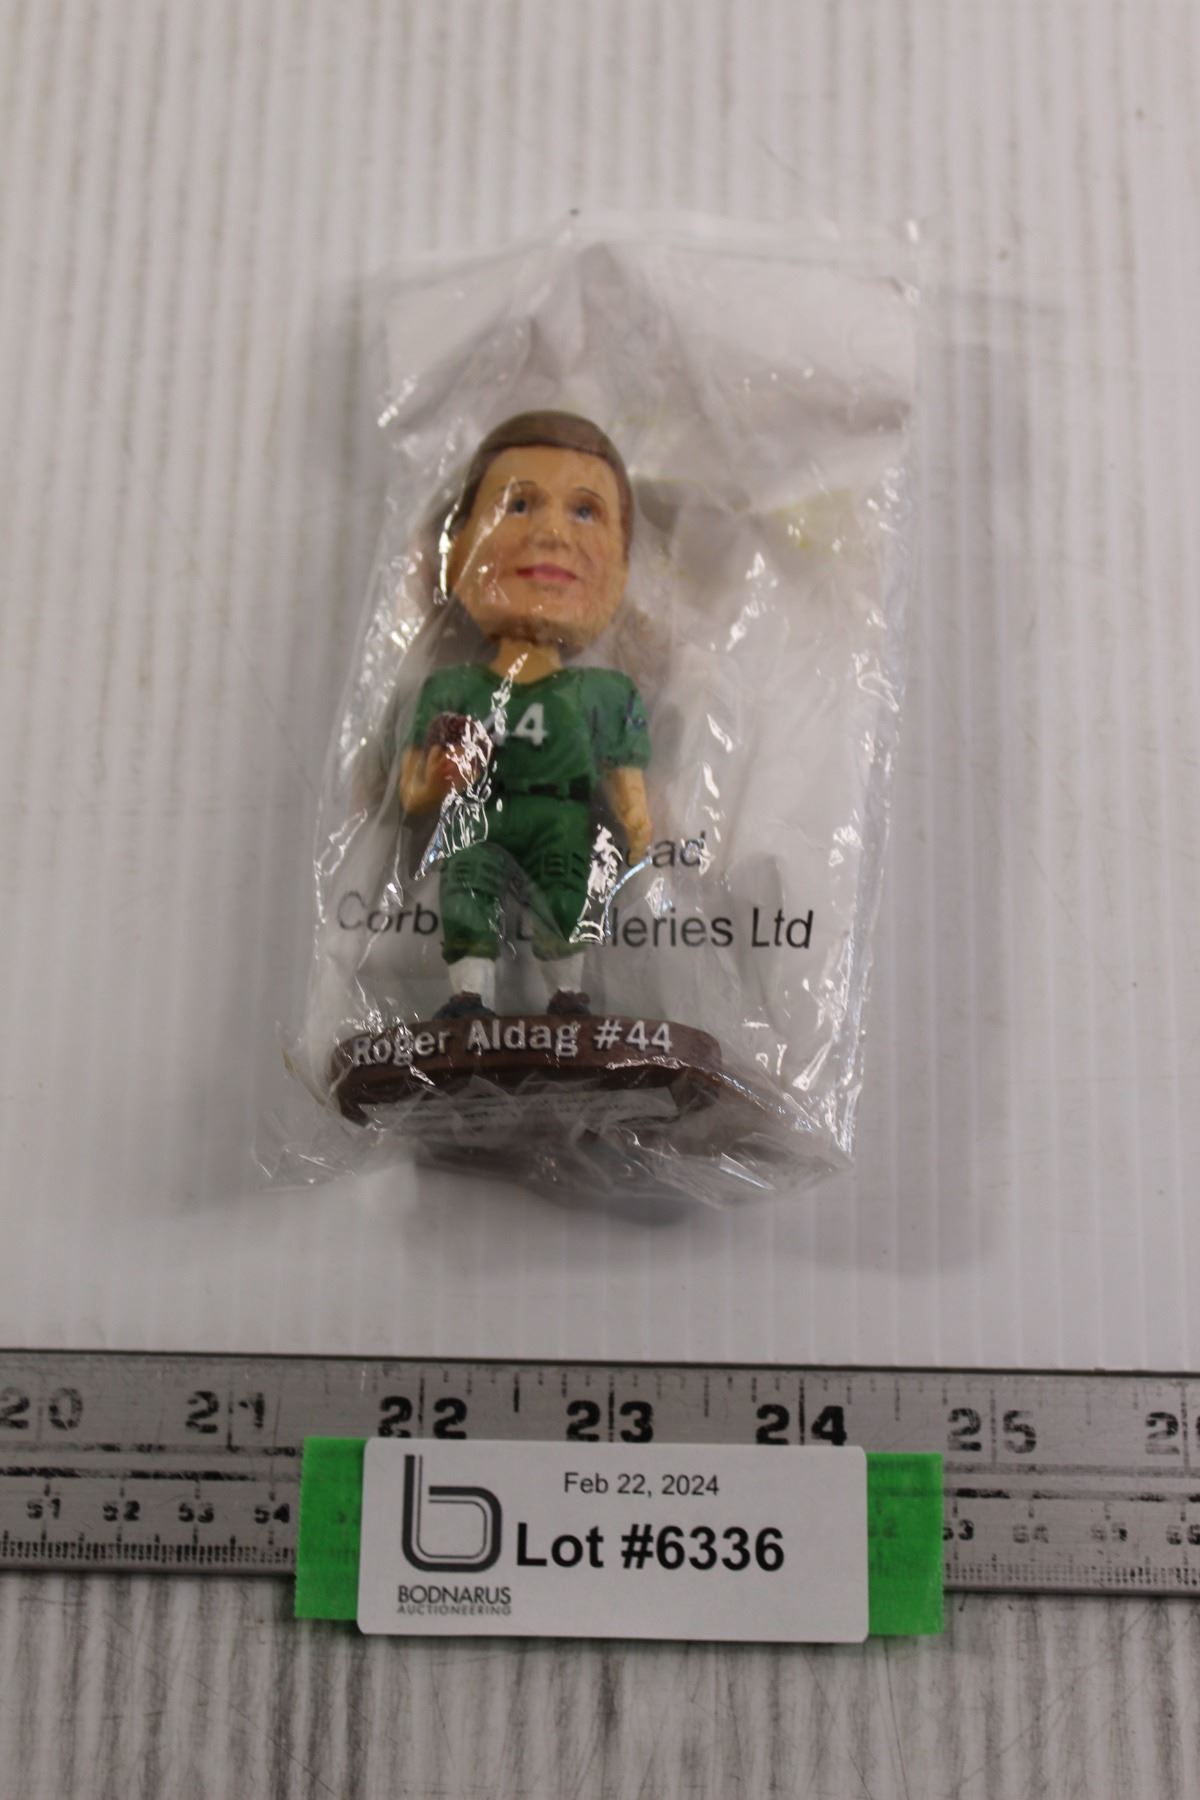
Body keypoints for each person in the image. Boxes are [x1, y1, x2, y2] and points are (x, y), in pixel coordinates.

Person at [399, 411, 652, 1020]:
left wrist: (635, 822)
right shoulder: (452, 687)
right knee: (466, 888)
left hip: (562, 816)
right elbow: (411, 792)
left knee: (565, 890)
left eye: (585, 511)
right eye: (517, 505)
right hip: (477, 813)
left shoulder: (604, 692)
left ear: (622, 566)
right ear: (456, 549)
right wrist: (440, 779)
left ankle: (567, 997)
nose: (552, 534)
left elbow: (629, 796)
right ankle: (469, 999)